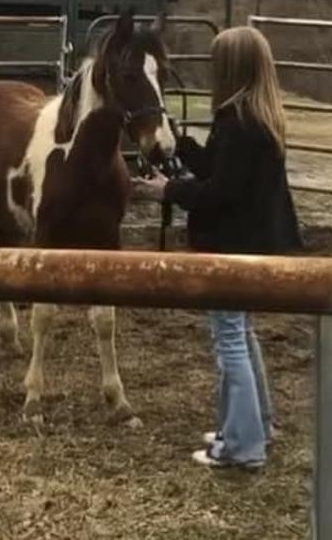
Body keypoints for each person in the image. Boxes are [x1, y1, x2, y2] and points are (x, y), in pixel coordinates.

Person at [131, 25, 302, 470]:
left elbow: (220, 194)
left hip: (232, 245)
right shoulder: (249, 117)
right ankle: (253, 426)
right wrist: (180, 142)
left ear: (231, 68)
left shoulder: (242, 125)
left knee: (229, 337)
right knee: (240, 333)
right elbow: (218, 171)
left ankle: (243, 447)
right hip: (250, 242)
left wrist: (168, 192)